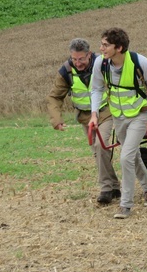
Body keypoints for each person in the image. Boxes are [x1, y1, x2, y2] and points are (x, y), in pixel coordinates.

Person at [88, 28, 147, 219]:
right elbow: (96, 89)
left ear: (119, 47)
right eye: (101, 44)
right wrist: (94, 114)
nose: (101, 49)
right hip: (118, 116)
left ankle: (126, 204)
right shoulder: (100, 63)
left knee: (125, 157)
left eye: (105, 45)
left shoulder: (139, 61)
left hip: (140, 114)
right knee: (133, 156)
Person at [47, 38, 121, 205]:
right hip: (85, 117)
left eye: (81, 59)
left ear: (89, 54)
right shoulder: (66, 71)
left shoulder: (103, 64)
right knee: (98, 153)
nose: (77, 63)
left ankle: (106, 189)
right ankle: (115, 186)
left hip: (106, 111)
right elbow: (54, 97)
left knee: (101, 146)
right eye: (74, 59)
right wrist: (56, 119)